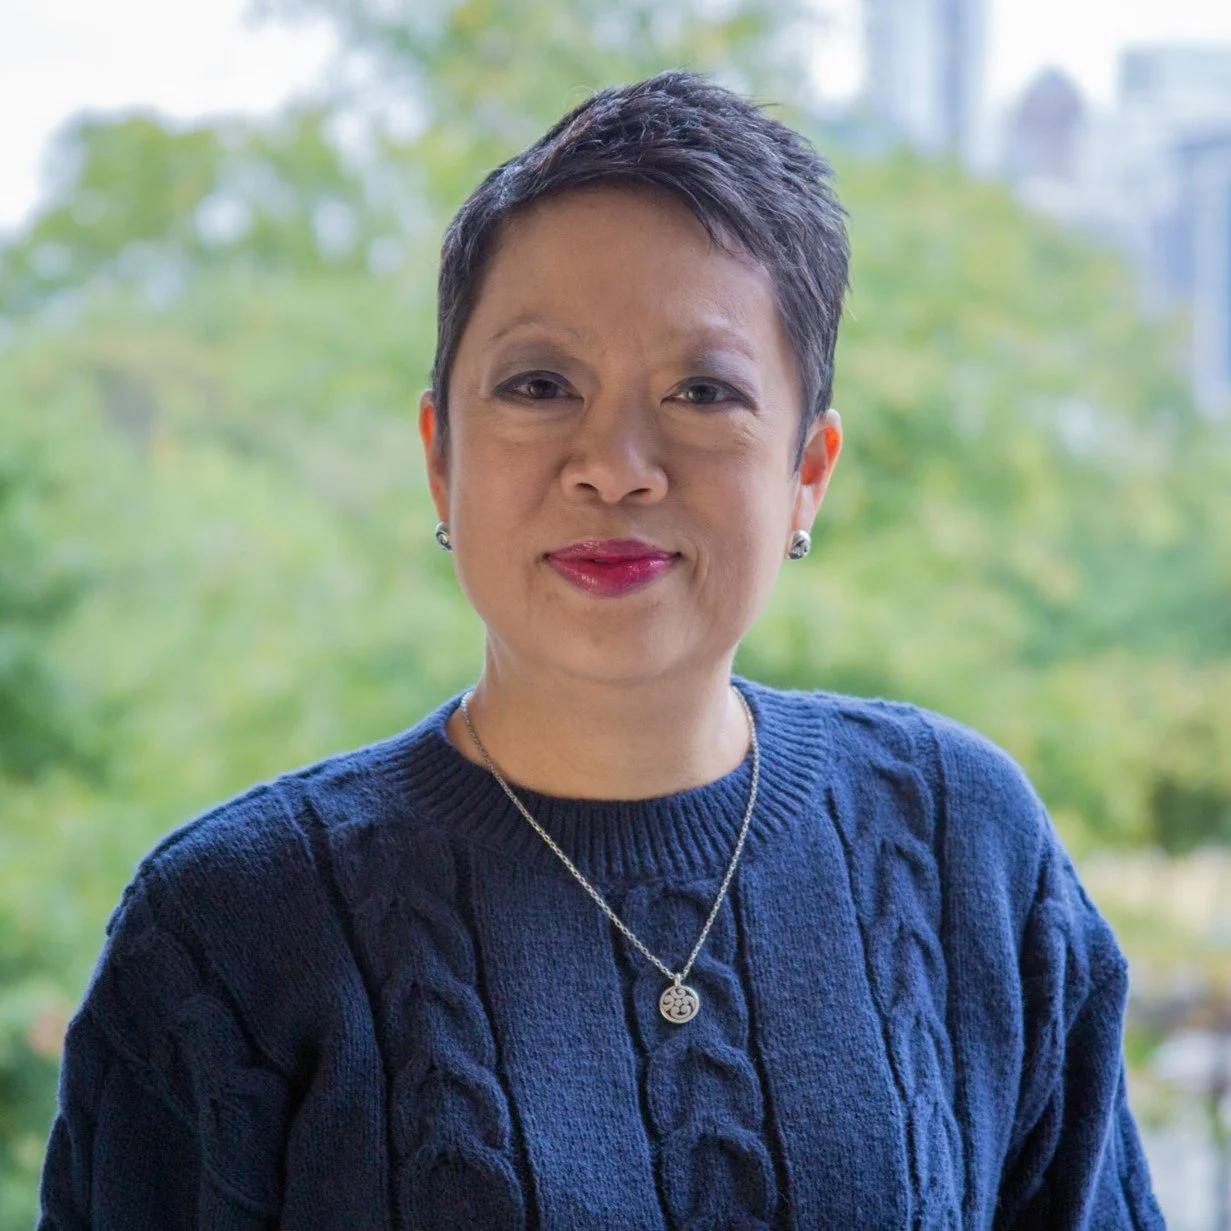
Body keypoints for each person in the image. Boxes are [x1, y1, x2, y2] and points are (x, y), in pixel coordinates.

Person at [38, 69, 1165, 1229]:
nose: (615, 466)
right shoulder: (226, 927)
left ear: (807, 473)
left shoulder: (963, 842)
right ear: (440, 456)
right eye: (539, 385)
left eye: (703, 390)